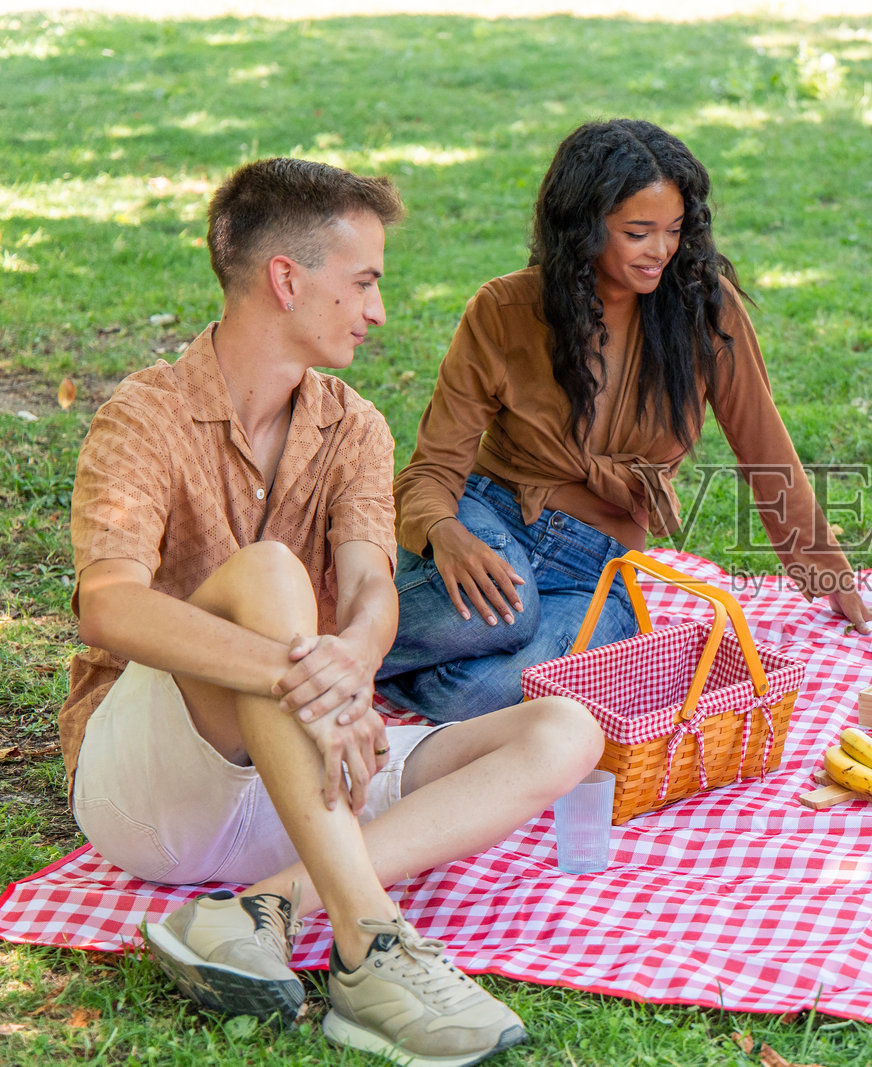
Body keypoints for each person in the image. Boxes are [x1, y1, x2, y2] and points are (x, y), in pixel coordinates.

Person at [65, 157, 604, 1067]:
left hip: (304, 779)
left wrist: (350, 658)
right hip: (154, 788)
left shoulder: (355, 426)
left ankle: (264, 907)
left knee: (566, 730)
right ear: (287, 280)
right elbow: (109, 608)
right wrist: (305, 676)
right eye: (362, 282)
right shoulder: (143, 416)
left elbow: (370, 593)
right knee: (270, 574)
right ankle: (369, 945)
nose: (377, 310)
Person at [377, 118, 872, 723]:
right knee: (510, 614)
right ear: (582, 228)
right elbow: (433, 466)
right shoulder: (504, 309)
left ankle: (354, 659)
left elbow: (765, 453)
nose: (661, 251)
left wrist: (831, 578)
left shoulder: (706, 310)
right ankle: (322, 640)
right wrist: (445, 534)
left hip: (599, 568)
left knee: (491, 694)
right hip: (494, 517)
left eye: (674, 230)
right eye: (638, 233)